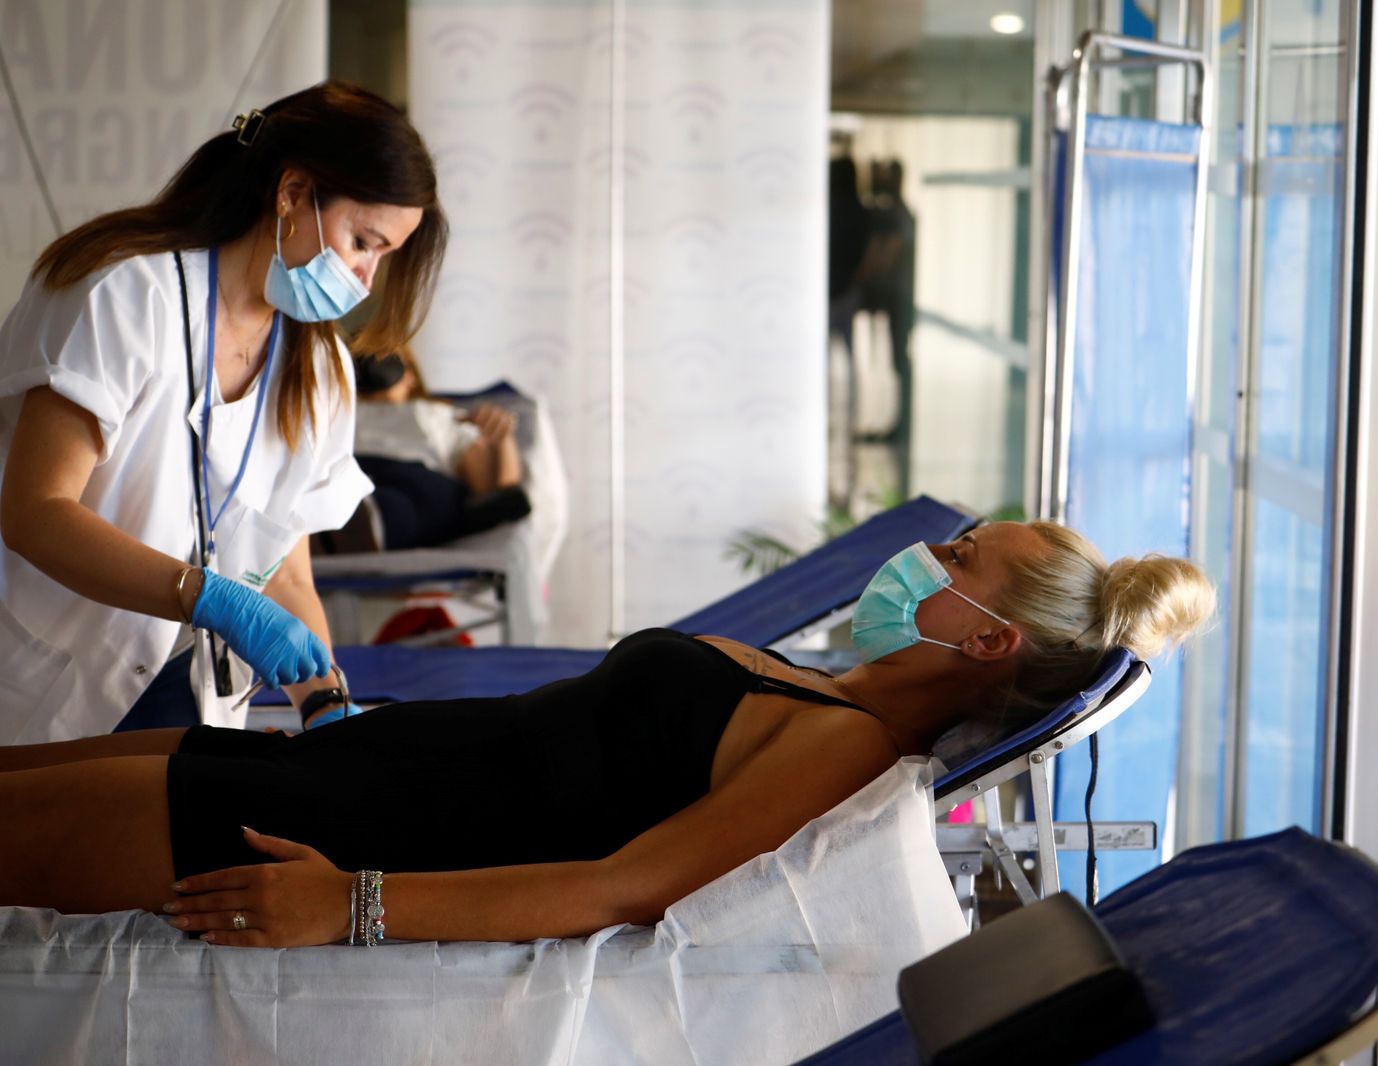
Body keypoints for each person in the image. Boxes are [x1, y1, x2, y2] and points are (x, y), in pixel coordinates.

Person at [0, 521, 1213, 946]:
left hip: (324, 832)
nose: (924, 559)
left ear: (991, 641)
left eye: (957, 560)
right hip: (331, 761)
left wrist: (350, 903)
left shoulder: (844, 757)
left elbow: (622, 887)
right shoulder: (825, 688)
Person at [0, 81, 447, 741]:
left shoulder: (317, 368)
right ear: (293, 193)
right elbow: (35, 512)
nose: (365, 280)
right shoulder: (125, 295)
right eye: (362, 242)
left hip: (185, 688)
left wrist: (325, 705)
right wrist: (205, 595)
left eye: (385, 256)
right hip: (41, 681)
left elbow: (287, 569)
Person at [313, 347, 532, 554]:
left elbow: (498, 494)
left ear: (410, 377)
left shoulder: (441, 417)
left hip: (413, 479)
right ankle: (338, 522)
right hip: (349, 467)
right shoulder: (329, 412)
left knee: (406, 505)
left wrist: (503, 438)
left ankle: (356, 523)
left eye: (388, 362)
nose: (374, 368)